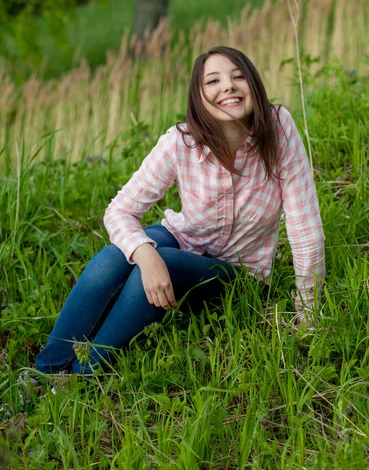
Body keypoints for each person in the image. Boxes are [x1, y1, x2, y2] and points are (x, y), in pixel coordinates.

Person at [34, 45, 325, 378]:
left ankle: (82, 376)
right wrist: (146, 255)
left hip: (238, 273)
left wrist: (308, 318)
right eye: (213, 81)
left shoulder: (279, 128)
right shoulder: (181, 141)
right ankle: (47, 371)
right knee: (113, 258)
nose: (227, 86)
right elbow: (120, 210)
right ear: (198, 98)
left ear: (254, 85)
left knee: (166, 263)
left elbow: (306, 231)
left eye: (238, 76)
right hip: (182, 239)